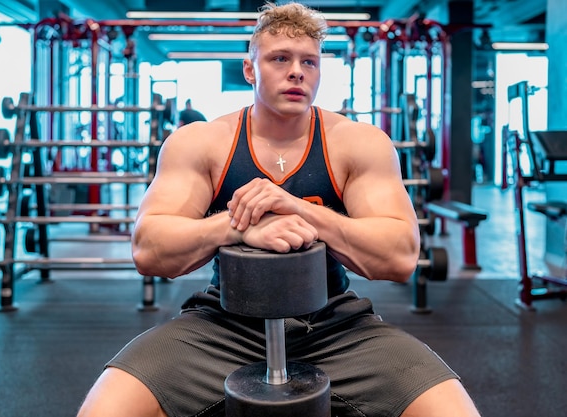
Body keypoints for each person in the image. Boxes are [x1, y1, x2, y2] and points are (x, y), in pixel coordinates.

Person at [76, 2, 482, 417]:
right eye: (279, 59)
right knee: (105, 410)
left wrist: (299, 210)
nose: (297, 72)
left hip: (335, 326)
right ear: (250, 70)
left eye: (309, 61)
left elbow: (399, 256)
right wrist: (236, 227)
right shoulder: (202, 142)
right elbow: (149, 248)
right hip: (222, 324)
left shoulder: (358, 143)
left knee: (453, 411)